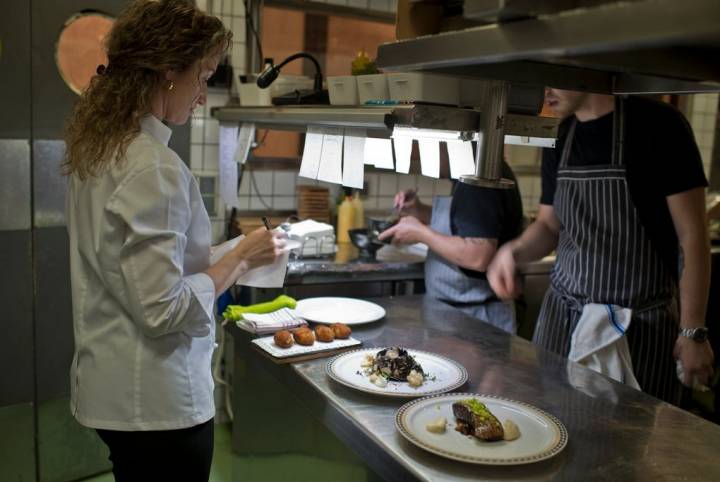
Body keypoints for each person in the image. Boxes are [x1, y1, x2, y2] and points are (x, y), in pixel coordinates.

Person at [63, 1, 283, 480]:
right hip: (157, 407)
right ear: (167, 74)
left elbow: (132, 268)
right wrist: (242, 259)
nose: (202, 95)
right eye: (201, 77)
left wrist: (234, 253)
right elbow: (163, 308)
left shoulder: (103, 151)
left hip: (116, 391)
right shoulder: (153, 167)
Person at [488, 88, 714, 404]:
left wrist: (693, 331)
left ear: (583, 62)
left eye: (554, 76)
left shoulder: (658, 124)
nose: (544, 91)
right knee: (550, 428)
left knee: (632, 443)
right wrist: (513, 251)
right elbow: (549, 225)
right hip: (562, 322)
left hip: (636, 330)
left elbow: (692, 236)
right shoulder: (562, 134)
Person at [379, 160, 523, 333]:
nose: (418, 161)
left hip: (477, 318)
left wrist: (422, 233)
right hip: (458, 313)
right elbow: (469, 223)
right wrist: (421, 211)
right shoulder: (471, 170)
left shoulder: (480, 175)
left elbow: (478, 255)